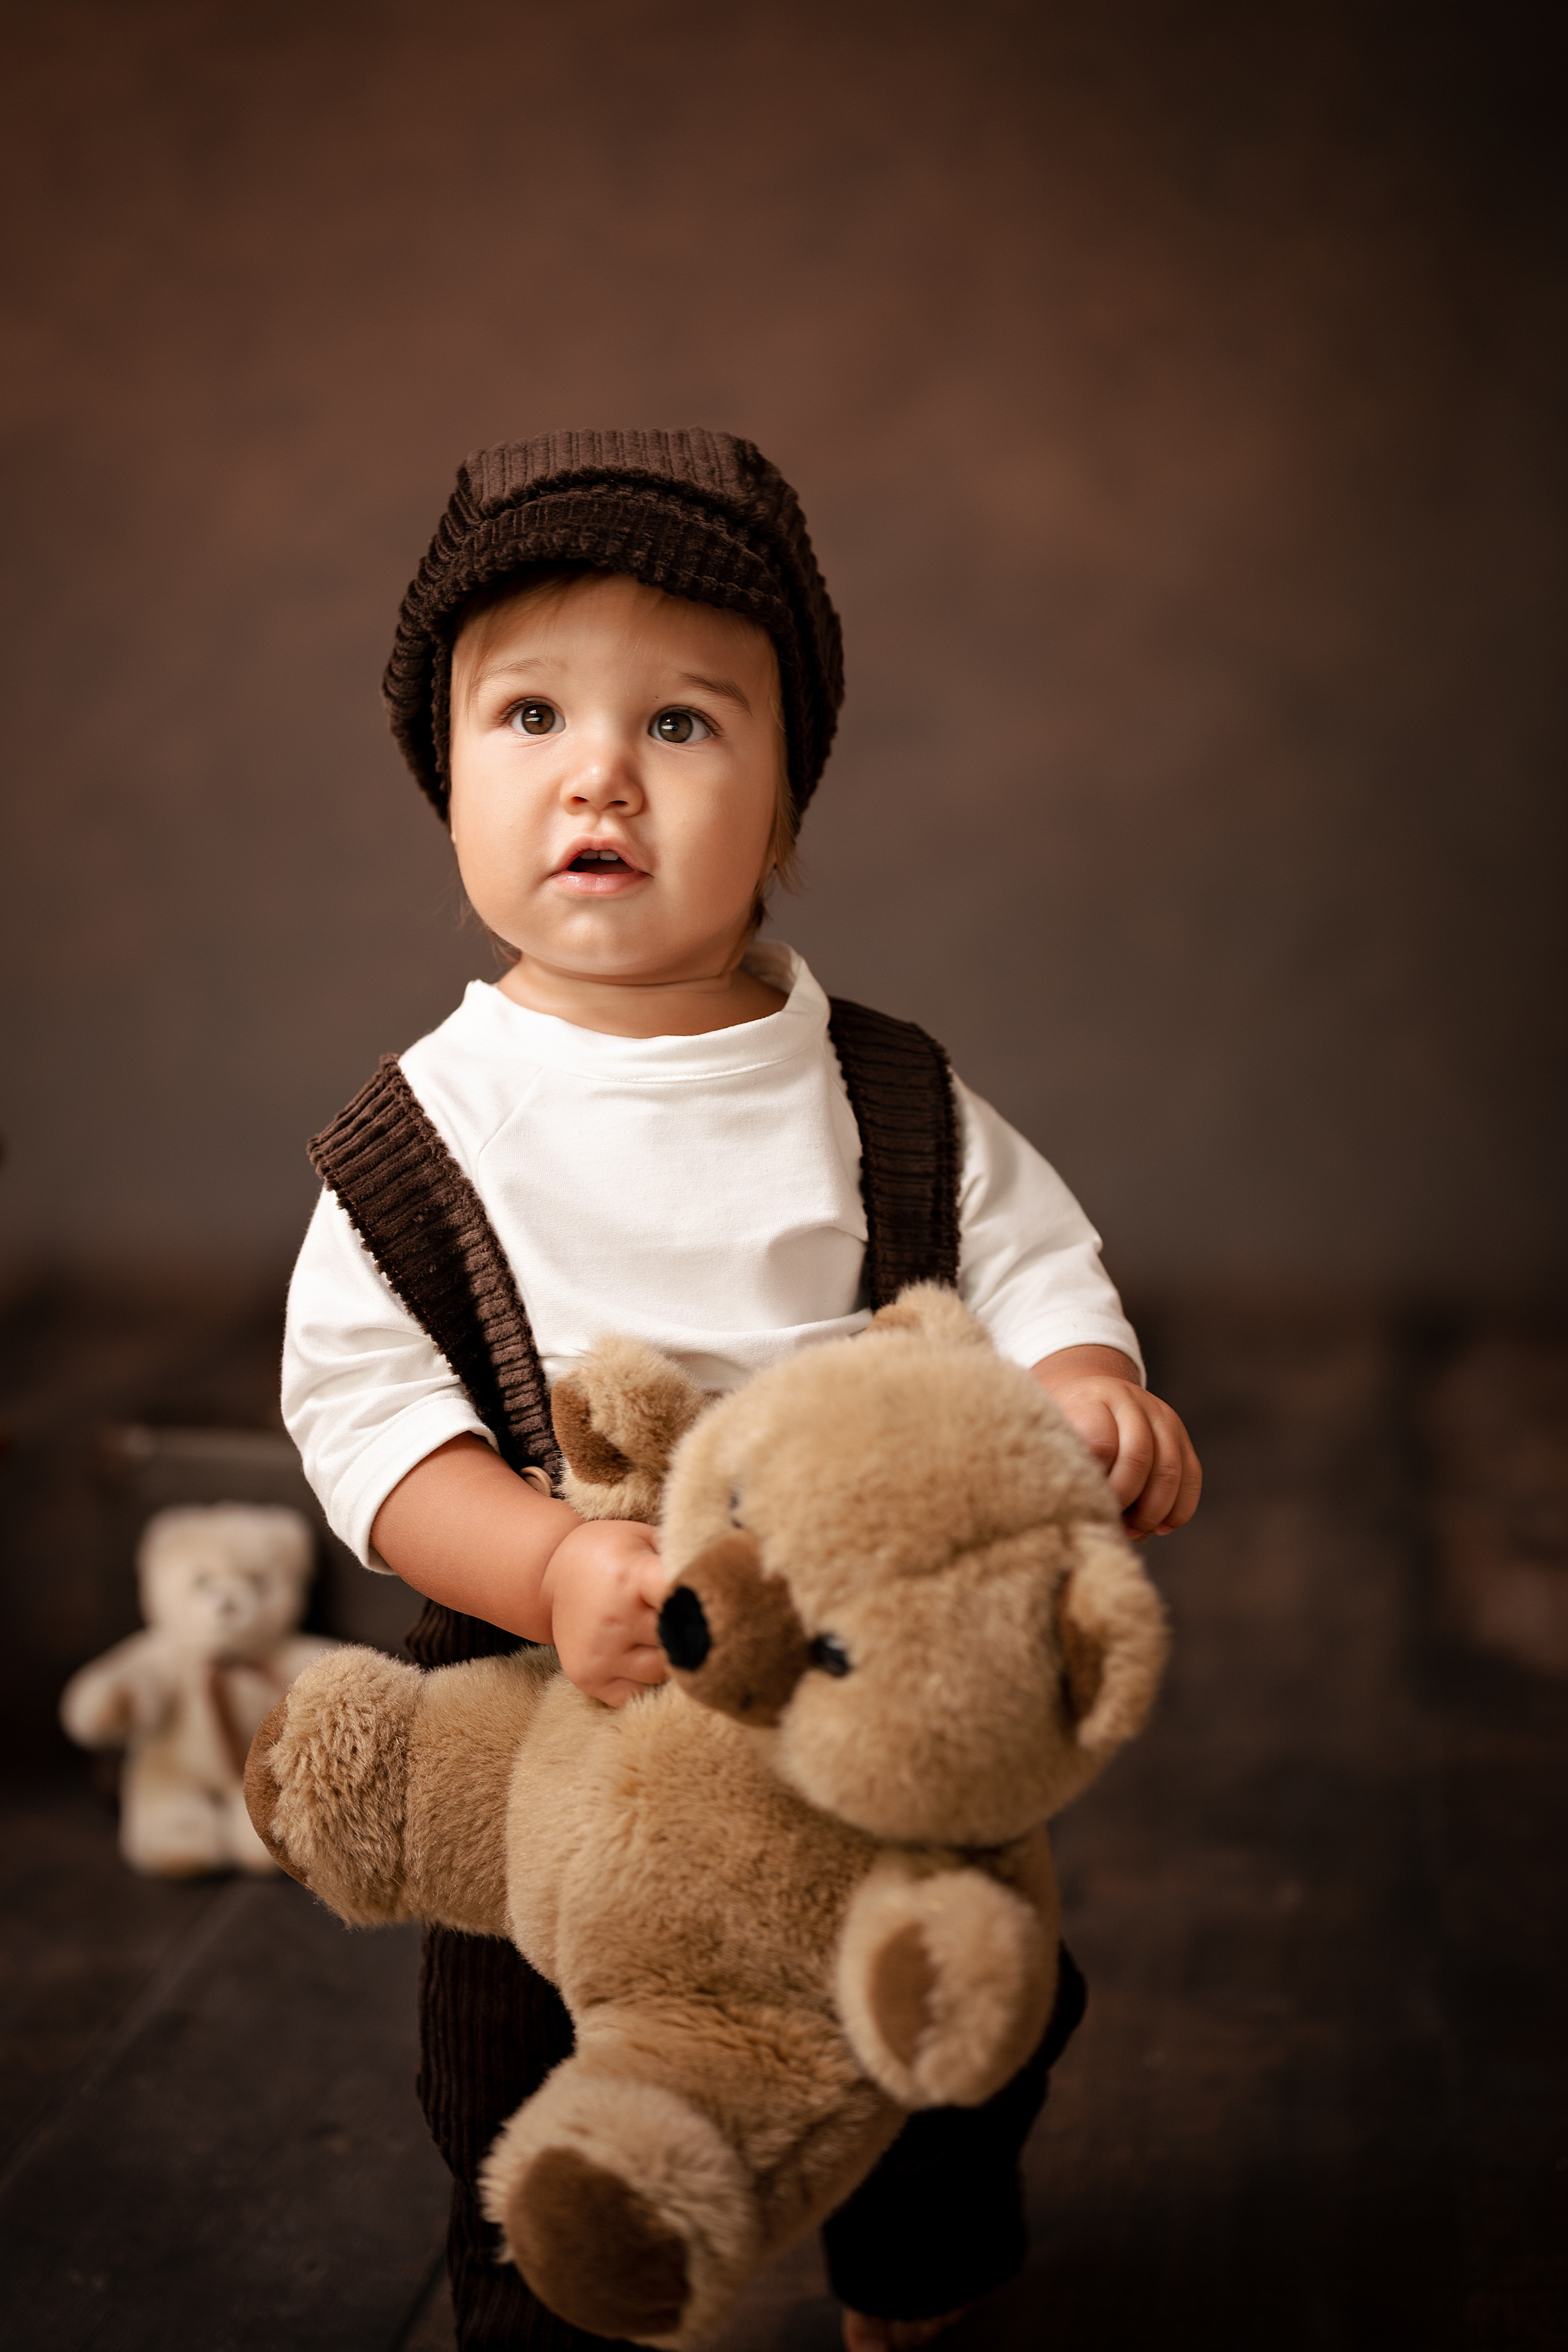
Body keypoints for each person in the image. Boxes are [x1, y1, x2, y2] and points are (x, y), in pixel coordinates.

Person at [282, 429, 1201, 2351]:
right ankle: (551, 2283)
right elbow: (368, 1419)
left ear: (787, 799)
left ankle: (920, 2279)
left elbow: (1029, 1257)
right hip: (556, 1689)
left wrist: (1089, 1382)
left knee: (964, 2011)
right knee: (509, 2058)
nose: (599, 772)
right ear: (446, 777)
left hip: (858, 1677)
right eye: (528, 714)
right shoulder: (426, 1129)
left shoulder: (878, 1092)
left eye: (686, 725)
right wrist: (535, 1565)